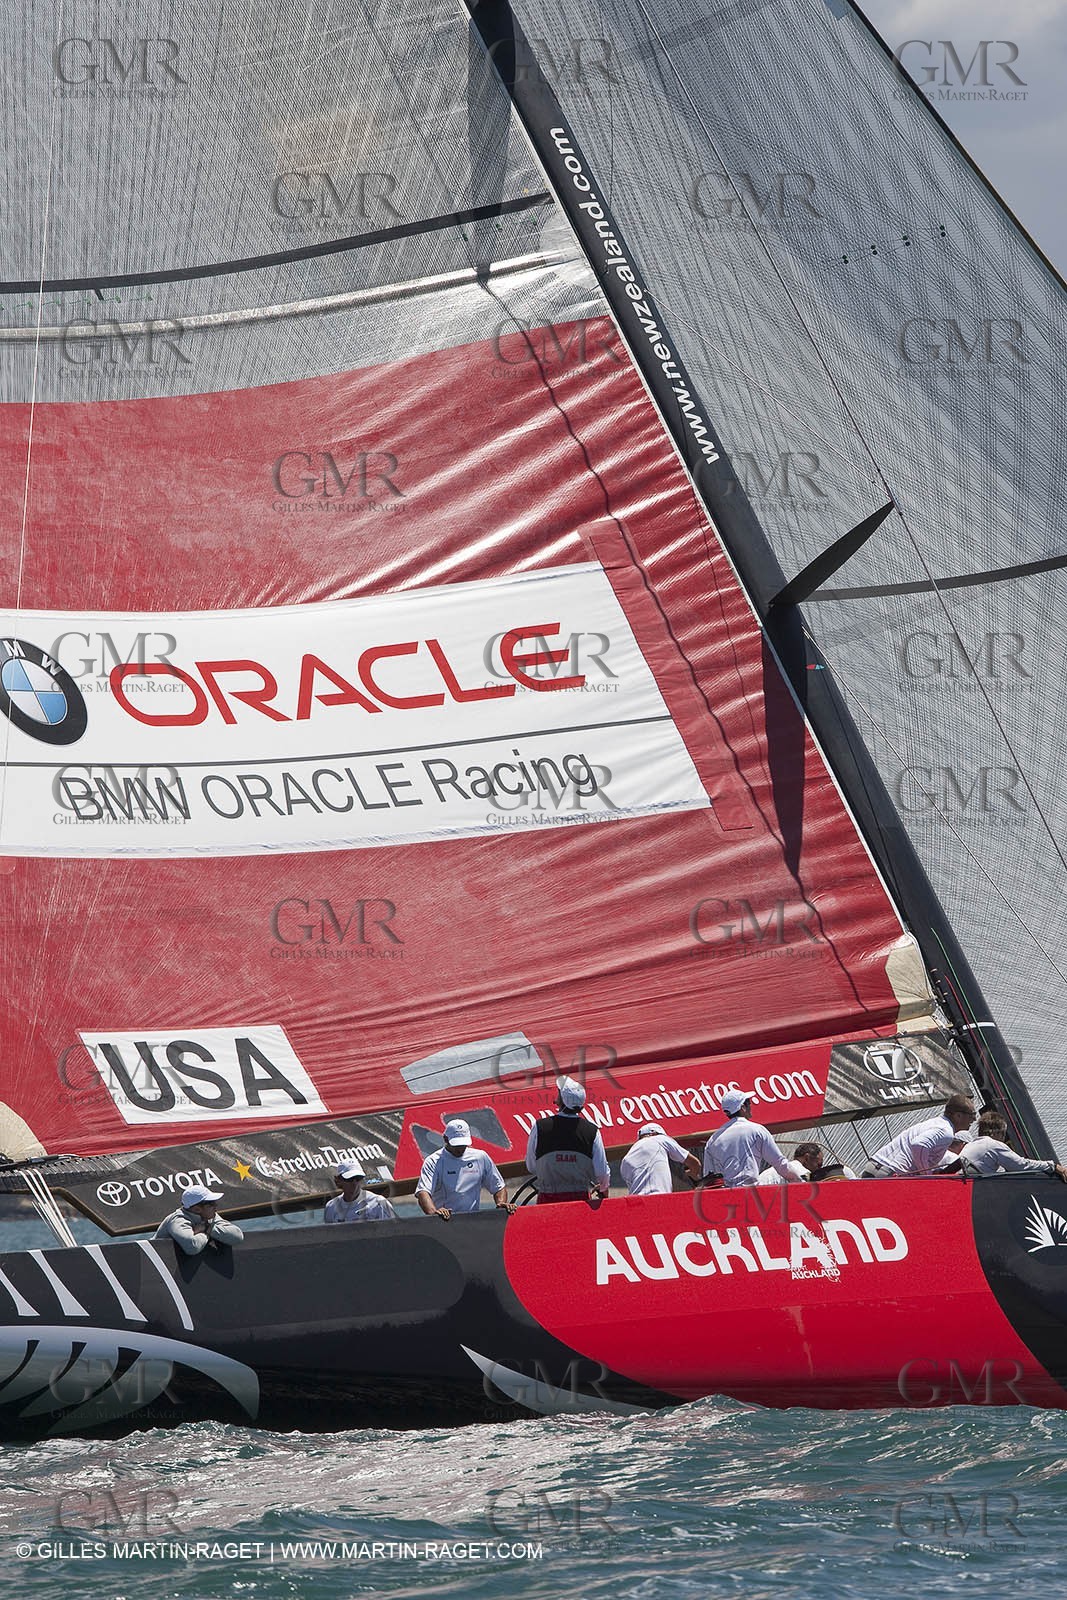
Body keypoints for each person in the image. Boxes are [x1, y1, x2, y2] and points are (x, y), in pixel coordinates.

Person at [525, 1077, 610, 1203]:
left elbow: (531, 1166)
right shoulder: (592, 1131)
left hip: (547, 1200)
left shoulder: (539, 1127)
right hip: (580, 1201)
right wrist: (603, 1189)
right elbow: (602, 1172)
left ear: (562, 1100)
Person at [702, 1089, 807, 1187]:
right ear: (743, 1108)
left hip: (727, 1197)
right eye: (749, 1104)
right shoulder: (757, 1130)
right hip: (752, 1194)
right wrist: (800, 1182)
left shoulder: (712, 1140)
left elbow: (709, 1178)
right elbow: (780, 1163)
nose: (751, 1107)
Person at [416, 1119, 515, 1219]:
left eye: (463, 1144)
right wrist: (434, 1213)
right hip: (444, 1221)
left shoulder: (480, 1157)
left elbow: (499, 1187)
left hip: (471, 1222)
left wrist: (501, 1203)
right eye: (456, 1145)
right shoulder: (433, 1161)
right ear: (446, 1139)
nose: (460, 1148)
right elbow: (423, 1193)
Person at [862, 1093, 975, 1177]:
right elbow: (919, 1145)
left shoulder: (937, 1123)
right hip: (887, 1173)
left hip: (877, 1167)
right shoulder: (946, 1131)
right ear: (958, 1115)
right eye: (971, 1115)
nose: (974, 1119)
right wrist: (926, 1174)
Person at [959, 1111, 1067, 1180]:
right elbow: (1021, 1165)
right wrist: (1053, 1166)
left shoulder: (970, 1145)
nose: (1003, 1139)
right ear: (996, 1133)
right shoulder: (993, 1145)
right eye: (1003, 1134)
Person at [154, 1184, 244, 1255]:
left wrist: (206, 1228)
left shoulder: (209, 1216)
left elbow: (237, 1236)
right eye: (211, 1204)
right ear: (197, 1209)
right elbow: (192, 1246)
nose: (216, 1206)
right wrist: (205, 1233)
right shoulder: (178, 1219)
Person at [620, 1122, 701, 1195]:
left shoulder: (626, 1159)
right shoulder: (661, 1139)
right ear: (656, 1133)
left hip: (637, 1204)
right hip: (658, 1199)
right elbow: (694, 1163)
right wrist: (692, 1174)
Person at [324, 1160, 397, 1223]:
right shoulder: (331, 1207)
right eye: (350, 1179)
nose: (354, 1183)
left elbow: (394, 1231)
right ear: (339, 1181)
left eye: (358, 1178)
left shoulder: (379, 1203)